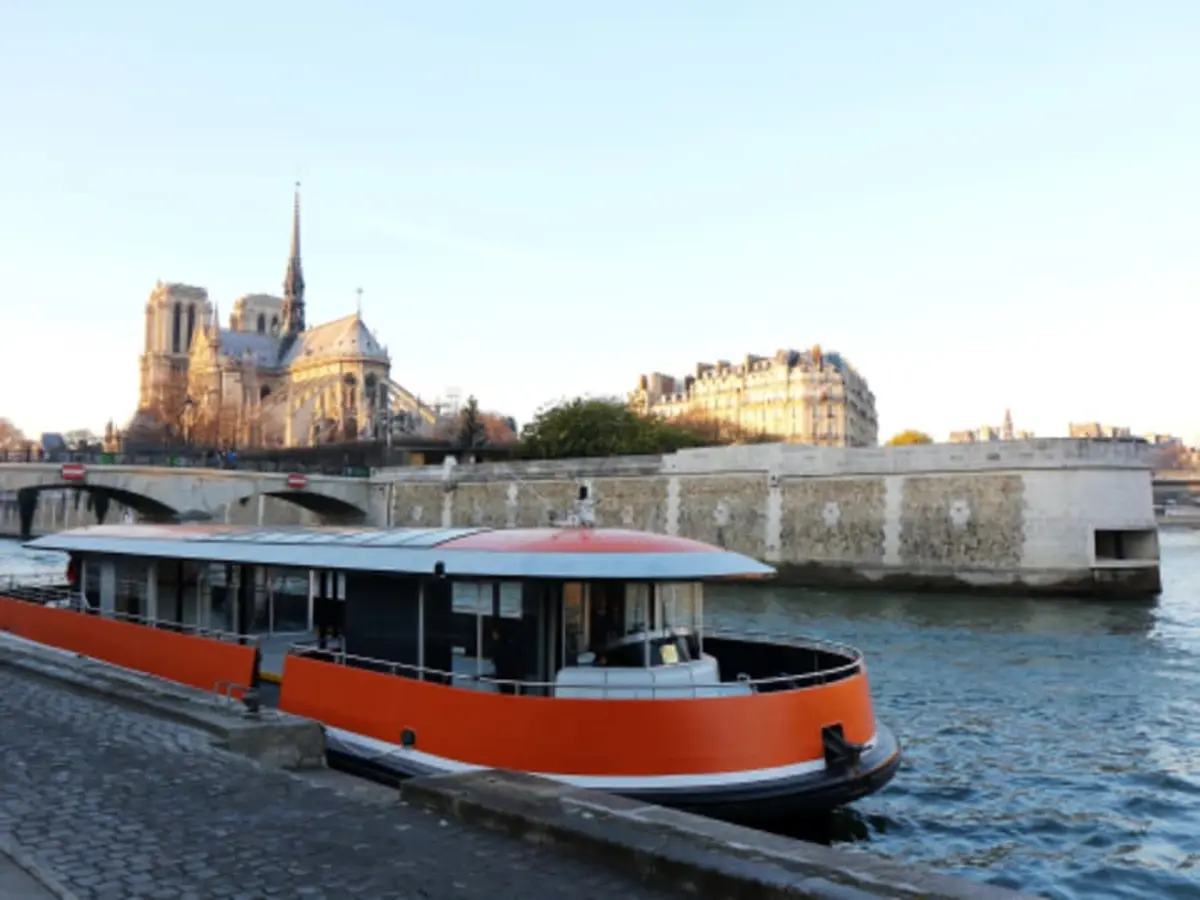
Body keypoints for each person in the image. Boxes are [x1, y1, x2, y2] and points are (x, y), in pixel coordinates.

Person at [490, 624, 523, 694]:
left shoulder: (499, 647)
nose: (493, 636)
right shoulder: (512, 646)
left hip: (504, 677)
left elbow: (498, 661)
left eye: (494, 633)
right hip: (511, 677)